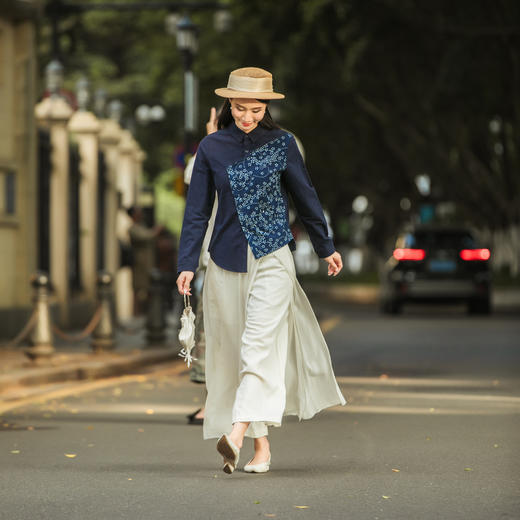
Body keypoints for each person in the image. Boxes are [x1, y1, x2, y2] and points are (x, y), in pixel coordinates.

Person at [176, 67, 346, 475]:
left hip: (273, 257)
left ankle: (234, 434)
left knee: (257, 346)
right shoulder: (212, 148)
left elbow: (307, 199)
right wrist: (185, 264)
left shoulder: (283, 144)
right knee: (237, 351)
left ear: (266, 106)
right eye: (239, 108)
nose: (247, 116)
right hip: (225, 261)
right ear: (228, 105)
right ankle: (262, 449)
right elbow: (197, 211)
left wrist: (326, 247)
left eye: (254, 109)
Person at [127, 206, 162, 315]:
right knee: (138, 290)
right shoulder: (133, 229)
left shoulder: (141, 226)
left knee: (147, 289)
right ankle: (136, 314)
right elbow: (148, 236)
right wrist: (156, 230)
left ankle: (144, 314)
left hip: (147, 264)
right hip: (139, 265)